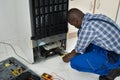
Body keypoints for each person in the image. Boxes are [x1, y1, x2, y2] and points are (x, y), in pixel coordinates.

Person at [62, 8, 120, 80]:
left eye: (73, 24)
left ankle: (113, 70)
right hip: (114, 47)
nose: (74, 26)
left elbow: (78, 50)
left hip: (115, 55)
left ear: (76, 21)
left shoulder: (87, 27)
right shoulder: (97, 16)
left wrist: (66, 58)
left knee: (74, 62)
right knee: (80, 32)